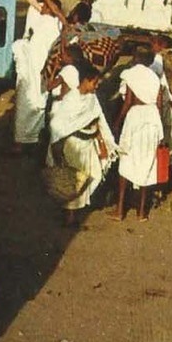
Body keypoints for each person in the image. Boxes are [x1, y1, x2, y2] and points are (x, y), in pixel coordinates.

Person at [46, 51, 117, 229]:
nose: (96, 86)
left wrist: (103, 143)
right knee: (74, 180)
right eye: (95, 82)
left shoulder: (92, 99)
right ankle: (70, 218)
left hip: (89, 144)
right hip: (73, 146)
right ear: (85, 80)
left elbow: (97, 119)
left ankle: (72, 214)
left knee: (94, 175)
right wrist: (57, 151)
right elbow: (57, 127)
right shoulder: (71, 100)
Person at [11, 0, 64, 154]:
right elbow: (34, 3)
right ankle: (23, 141)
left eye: (46, 8)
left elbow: (55, 11)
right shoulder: (42, 17)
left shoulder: (57, 23)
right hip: (29, 69)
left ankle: (27, 143)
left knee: (34, 103)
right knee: (23, 104)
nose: (42, 9)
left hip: (39, 70)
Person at [114, 45, 165, 220]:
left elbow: (128, 102)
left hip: (135, 118)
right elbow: (159, 105)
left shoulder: (130, 74)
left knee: (126, 162)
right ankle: (142, 212)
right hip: (152, 119)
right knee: (147, 163)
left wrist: (117, 122)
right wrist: (160, 128)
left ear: (135, 57)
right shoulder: (155, 77)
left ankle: (120, 210)